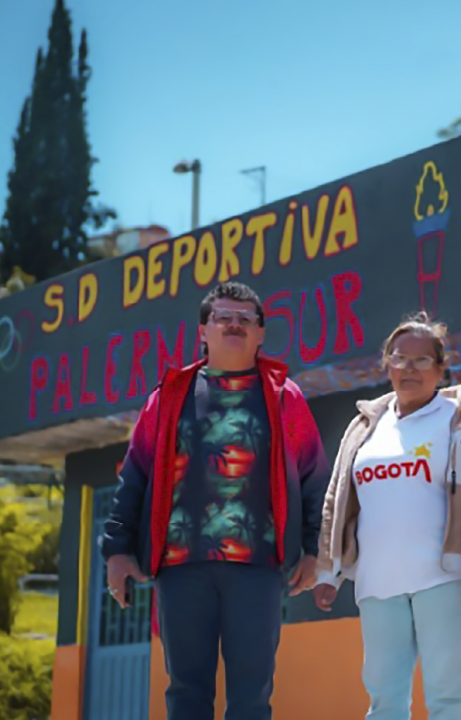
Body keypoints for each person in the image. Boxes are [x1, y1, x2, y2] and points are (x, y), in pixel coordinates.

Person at [101, 281, 328, 720]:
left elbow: (313, 476)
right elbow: (134, 476)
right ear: (202, 330)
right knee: (186, 692)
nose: (234, 325)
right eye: (223, 316)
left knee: (252, 695)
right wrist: (117, 551)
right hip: (180, 567)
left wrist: (314, 549)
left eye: (245, 319)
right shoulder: (166, 398)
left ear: (262, 333)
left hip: (258, 568)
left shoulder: (286, 398)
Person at [312, 312, 461, 720]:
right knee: (384, 702)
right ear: (386, 365)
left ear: (440, 368)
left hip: (443, 578)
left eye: (421, 360)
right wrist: (328, 570)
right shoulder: (365, 426)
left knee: (447, 697)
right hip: (377, 583)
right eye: (400, 359)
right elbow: (338, 499)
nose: (409, 368)